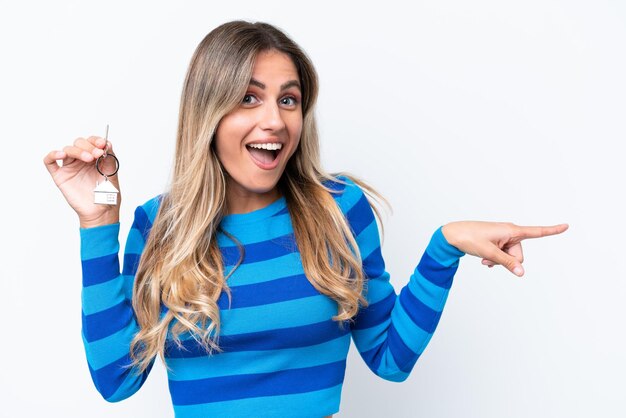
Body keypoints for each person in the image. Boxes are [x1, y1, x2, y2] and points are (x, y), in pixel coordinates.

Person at [43, 20, 568, 418]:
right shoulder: (159, 226)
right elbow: (116, 380)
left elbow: (390, 359)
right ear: (208, 112)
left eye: (288, 99)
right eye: (248, 98)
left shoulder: (340, 211)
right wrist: (97, 223)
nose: (275, 120)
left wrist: (444, 248)